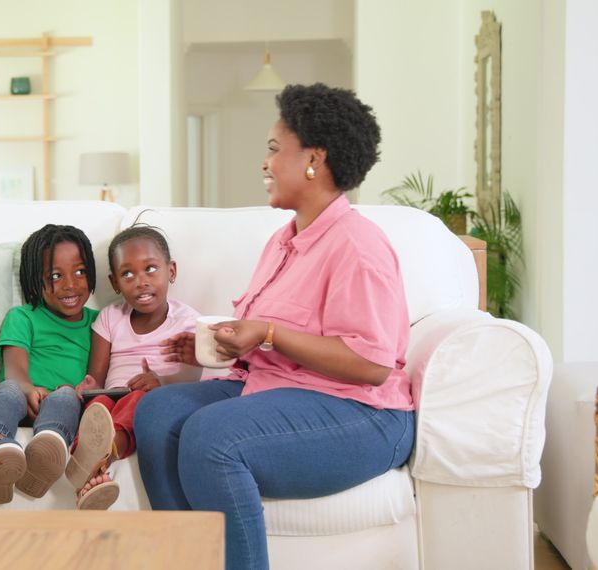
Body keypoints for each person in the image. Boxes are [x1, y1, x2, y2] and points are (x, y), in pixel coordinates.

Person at [135, 83, 416, 570]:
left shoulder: (357, 245)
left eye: (273, 149)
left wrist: (268, 333)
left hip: (364, 413)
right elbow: (271, 335)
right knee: (158, 412)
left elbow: (370, 365)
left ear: (314, 159)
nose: (264, 163)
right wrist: (224, 344)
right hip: (280, 387)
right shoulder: (283, 242)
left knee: (212, 436)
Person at [67, 224, 203, 510]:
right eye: (127, 274)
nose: (141, 281)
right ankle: (88, 462)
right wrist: (89, 386)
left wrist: (161, 382)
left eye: (150, 269)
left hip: (152, 399)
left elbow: (192, 374)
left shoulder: (187, 320)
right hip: (112, 397)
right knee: (98, 406)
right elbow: (96, 377)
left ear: (171, 271)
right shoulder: (110, 317)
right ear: (115, 283)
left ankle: (105, 453)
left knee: (139, 399)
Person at [0, 224, 99, 504]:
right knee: (8, 389)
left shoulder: (100, 323)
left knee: (66, 395)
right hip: (25, 399)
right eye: (55, 276)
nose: (70, 284)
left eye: (80, 272)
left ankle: (46, 452)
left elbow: (100, 376)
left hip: (66, 405)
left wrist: (85, 388)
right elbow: (15, 371)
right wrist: (29, 389)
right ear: (35, 279)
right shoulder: (23, 317)